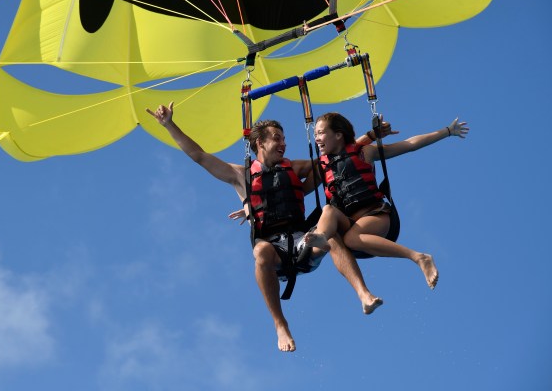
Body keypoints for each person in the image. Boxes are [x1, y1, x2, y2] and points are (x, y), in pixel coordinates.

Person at [146, 102, 389, 352]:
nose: (283, 144)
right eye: (277, 138)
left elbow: (338, 154)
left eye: (284, 139)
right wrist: (169, 125)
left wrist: (369, 137)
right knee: (260, 252)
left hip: (303, 241)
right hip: (274, 250)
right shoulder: (242, 176)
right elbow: (199, 156)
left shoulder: (295, 167)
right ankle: (280, 324)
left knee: (329, 233)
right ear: (260, 143)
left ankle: (363, 294)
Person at [307, 112, 469, 290]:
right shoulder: (321, 168)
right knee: (327, 211)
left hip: (376, 215)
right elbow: (297, 187)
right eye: (315, 134)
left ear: (338, 134)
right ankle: (321, 238)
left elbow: (409, 145)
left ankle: (418, 257)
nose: (317, 138)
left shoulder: (364, 152)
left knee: (351, 239)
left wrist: (446, 131)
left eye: (321, 133)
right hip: (349, 224)